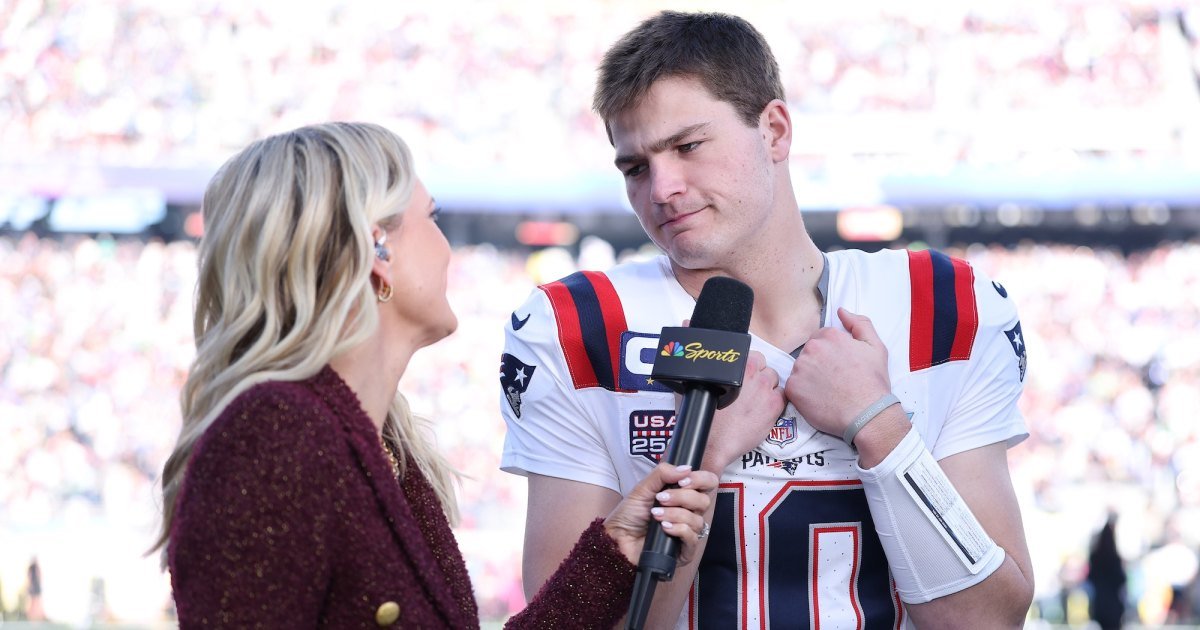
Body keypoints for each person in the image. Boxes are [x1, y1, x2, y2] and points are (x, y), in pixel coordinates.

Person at [499, 11, 1035, 629]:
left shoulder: (944, 304)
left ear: (774, 131)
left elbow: (987, 620)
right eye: (635, 167)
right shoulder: (577, 327)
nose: (662, 188)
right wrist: (702, 455)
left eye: (688, 146)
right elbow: (568, 624)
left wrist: (880, 427)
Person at [151, 122, 719, 629]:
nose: (448, 248)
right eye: (432, 217)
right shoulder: (275, 435)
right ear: (377, 249)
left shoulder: (385, 446)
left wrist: (615, 550)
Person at [1085, 515, 1126, 630]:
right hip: (1113, 606)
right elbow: (1121, 579)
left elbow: (1091, 577)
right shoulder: (1114, 559)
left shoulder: (1095, 557)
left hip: (1100, 604)